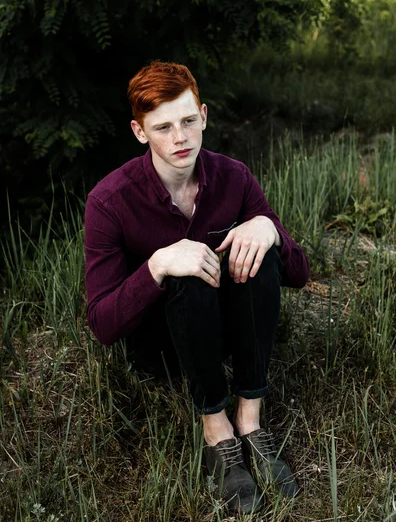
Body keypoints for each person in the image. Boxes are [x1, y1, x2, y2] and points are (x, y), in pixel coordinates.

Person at [84, 61, 309, 515]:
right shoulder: (108, 201)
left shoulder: (235, 177)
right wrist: (158, 264)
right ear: (140, 131)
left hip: (228, 332)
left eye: (188, 121)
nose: (180, 137)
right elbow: (103, 324)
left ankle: (249, 421)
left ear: (204, 115)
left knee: (258, 248)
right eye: (163, 127)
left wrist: (268, 228)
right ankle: (216, 430)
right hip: (164, 347)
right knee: (184, 269)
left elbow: (298, 274)